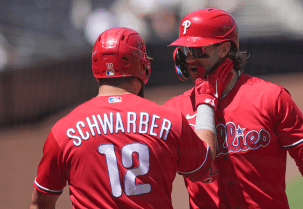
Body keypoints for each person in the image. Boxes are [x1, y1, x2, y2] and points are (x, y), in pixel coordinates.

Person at [30, 27, 233, 208]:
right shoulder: (170, 119)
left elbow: (40, 203)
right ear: (142, 66)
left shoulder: (63, 130)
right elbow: (205, 167)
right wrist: (206, 100)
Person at [165, 8, 303, 209]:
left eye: (197, 50)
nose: (188, 60)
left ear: (223, 49)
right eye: (184, 51)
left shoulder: (270, 97)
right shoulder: (174, 110)